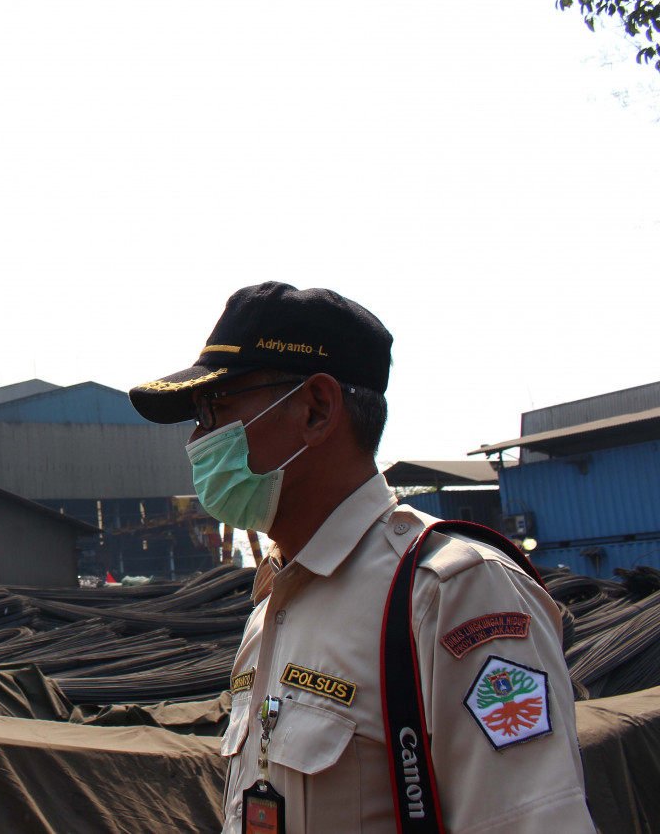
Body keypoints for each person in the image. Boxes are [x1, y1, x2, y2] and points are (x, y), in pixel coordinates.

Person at [129, 281, 593, 833]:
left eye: (214, 407)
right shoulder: (272, 606)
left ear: (316, 410)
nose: (198, 439)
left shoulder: (451, 594)